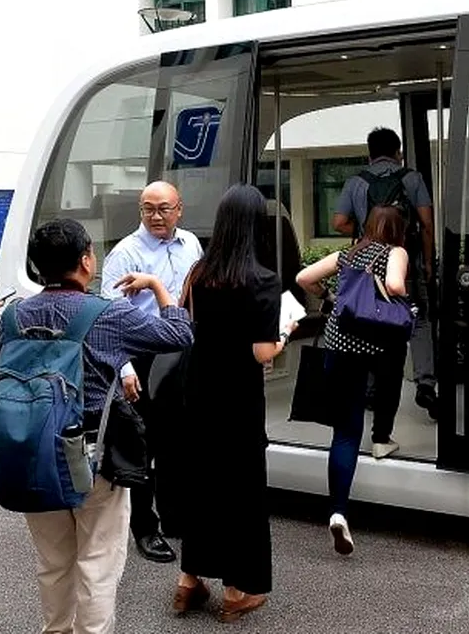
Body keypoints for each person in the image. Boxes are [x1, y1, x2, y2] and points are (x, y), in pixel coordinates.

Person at [11, 218, 194, 634]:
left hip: (32, 453)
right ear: (85, 261)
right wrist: (159, 288)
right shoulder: (106, 314)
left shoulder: (14, 316)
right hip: (90, 456)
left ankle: (55, 630)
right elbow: (179, 334)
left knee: (52, 562)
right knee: (97, 561)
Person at [170, 184, 297, 622]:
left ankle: (188, 582)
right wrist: (286, 333)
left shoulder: (199, 274)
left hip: (198, 389)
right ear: (256, 224)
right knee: (240, 492)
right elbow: (262, 352)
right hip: (237, 398)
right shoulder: (263, 279)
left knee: (201, 484)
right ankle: (235, 592)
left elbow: (188, 323)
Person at [297, 204, 410, 555]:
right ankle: (383, 436)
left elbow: (304, 278)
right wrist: (402, 300)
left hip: (337, 344)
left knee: (344, 432)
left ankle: (338, 512)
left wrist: (330, 296)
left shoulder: (349, 253)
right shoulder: (396, 251)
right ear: (397, 230)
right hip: (372, 345)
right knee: (390, 376)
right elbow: (394, 283)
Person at [99, 180, 202, 564]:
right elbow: (108, 321)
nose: (156, 216)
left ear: (179, 209)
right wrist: (123, 367)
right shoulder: (126, 253)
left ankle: (175, 518)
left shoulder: (191, 244)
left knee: (178, 444)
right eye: (148, 209)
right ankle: (145, 527)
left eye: (164, 208)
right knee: (142, 448)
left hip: (181, 355)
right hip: (141, 359)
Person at [332, 127, 438, 417]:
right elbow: (427, 224)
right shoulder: (412, 178)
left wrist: (368, 232)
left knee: (369, 319)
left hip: (368, 266)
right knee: (420, 320)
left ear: (370, 153)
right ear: (397, 151)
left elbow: (338, 222)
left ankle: (370, 388)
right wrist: (428, 262)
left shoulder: (355, 182)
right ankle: (426, 384)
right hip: (406, 261)